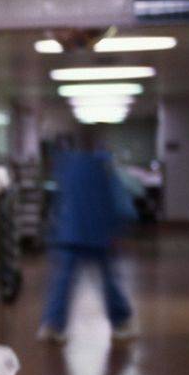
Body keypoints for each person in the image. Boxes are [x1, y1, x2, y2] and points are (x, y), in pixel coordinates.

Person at [39, 126, 136, 343]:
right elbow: (118, 200)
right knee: (109, 282)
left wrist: (54, 232)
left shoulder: (66, 166)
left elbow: (58, 202)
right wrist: (120, 228)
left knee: (63, 282)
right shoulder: (104, 166)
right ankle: (121, 322)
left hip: (70, 233)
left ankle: (53, 325)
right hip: (98, 234)